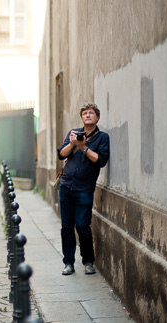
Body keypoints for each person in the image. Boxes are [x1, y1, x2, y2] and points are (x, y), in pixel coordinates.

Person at [57, 103, 110, 276]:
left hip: (85, 188)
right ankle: (68, 263)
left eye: (91, 113)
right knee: (66, 226)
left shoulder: (102, 138)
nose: (88, 115)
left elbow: (100, 160)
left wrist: (83, 147)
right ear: (82, 117)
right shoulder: (74, 133)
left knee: (82, 225)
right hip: (66, 185)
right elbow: (62, 154)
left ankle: (88, 261)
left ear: (97, 117)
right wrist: (73, 143)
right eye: (85, 113)